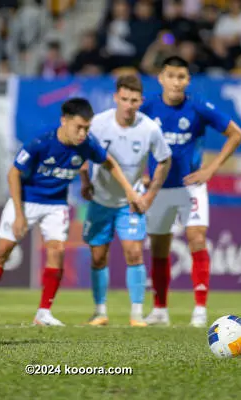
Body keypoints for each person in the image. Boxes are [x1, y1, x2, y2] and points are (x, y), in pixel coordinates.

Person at [0, 98, 145, 326]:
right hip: (26, 200)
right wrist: (19, 214)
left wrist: (125, 191)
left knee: (56, 251)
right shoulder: (40, 142)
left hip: (56, 204)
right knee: (3, 250)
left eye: (87, 128)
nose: (83, 133)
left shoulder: (87, 144)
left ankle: (44, 312)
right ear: (64, 121)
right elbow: (13, 174)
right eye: (79, 127)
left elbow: (109, 162)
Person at [141, 56, 241, 327]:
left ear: (188, 81)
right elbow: (134, 140)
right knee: (159, 247)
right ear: (160, 78)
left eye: (182, 77)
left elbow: (236, 134)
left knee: (196, 238)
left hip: (190, 186)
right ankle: (160, 310)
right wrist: (142, 170)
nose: (176, 82)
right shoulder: (147, 107)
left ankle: (200, 309)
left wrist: (211, 169)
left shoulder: (198, 107)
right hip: (160, 188)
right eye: (171, 76)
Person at [80, 75, 171, 327]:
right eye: (124, 99)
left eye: (134, 100)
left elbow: (164, 159)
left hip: (130, 202)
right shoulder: (98, 124)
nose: (129, 105)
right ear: (115, 98)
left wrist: (150, 194)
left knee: (134, 253)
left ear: (141, 100)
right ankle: (100, 312)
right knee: (98, 256)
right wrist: (85, 180)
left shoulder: (150, 128)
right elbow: (82, 150)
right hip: (100, 199)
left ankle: (137, 314)